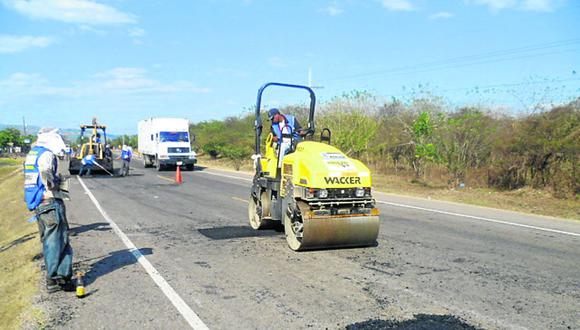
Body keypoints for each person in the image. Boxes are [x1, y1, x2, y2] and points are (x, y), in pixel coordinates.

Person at [24, 128, 74, 293]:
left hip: (38, 202)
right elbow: (45, 172)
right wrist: (54, 183)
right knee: (59, 240)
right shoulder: (47, 154)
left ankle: (54, 277)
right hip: (50, 200)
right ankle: (57, 278)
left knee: (49, 240)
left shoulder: (32, 154)